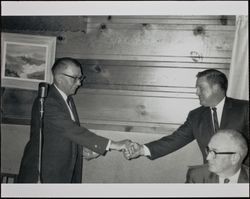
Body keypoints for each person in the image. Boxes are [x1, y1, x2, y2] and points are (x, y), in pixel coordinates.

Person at [18, 57, 131, 183]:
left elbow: (59, 135)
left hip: (62, 172)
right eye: (75, 78)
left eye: (80, 78)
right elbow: (70, 130)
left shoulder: (67, 99)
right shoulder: (47, 101)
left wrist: (81, 149)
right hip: (43, 175)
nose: (79, 83)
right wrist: (115, 145)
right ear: (60, 78)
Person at [124, 69, 249, 166]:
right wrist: (141, 150)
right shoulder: (196, 116)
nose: (196, 92)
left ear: (216, 88)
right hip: (211, 178)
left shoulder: (244, 109)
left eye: (200, 88)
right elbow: (175, 140)